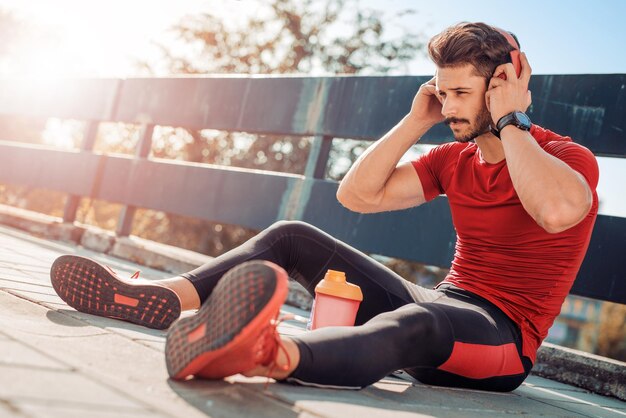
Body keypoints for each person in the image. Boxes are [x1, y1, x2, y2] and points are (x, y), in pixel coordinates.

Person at [49, 22, 598, 392]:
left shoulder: (566, 158)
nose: (449, 106)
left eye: (461, 94)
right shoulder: (453, 159)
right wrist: (415, 121)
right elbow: (357, 195)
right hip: (440, 300)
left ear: (504, 83)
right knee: (292, 234)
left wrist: (511, 118)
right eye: (443, 91)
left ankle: (267, 354)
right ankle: (159, 300)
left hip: (499, 342)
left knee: (419, 318)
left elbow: (555, 212)